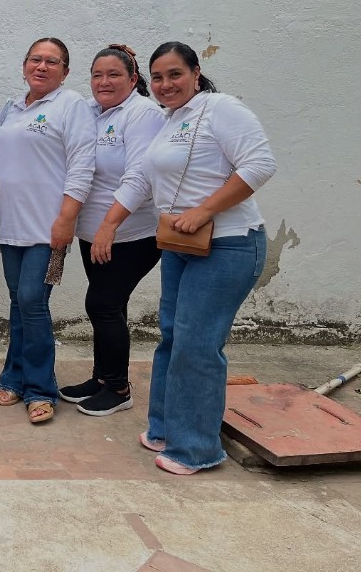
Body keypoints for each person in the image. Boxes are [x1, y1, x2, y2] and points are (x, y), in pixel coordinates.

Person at [92, 41, 275, 474]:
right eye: (157, 77)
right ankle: (165, 428)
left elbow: (260, 164)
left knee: (198, 346)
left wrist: (204, 210)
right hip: (180, 243)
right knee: (173, 337)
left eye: (175, 74)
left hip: (228, 243)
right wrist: (110, 222)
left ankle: (196, 448)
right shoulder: (169, 119)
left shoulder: (221, 109)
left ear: (196, 73)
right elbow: (140, 179)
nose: (165, 84)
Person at [0, 37, 96, 423]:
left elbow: (83, 166)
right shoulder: (12, 108)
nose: (42, 66)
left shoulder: (71, 107)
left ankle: (40, 388)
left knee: (33, 302)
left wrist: (67, 219)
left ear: (65, 72)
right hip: (11, 226)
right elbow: (0, 163)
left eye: (52, 62)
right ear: (23, 66)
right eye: (35, 59)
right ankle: (13, 377)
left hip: (48, 229)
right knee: (20, 302)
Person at [62, 45, 165, 416]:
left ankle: (119, 388)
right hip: (94, 234)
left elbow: (141, 176)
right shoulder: (90, 111)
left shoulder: (142, 114)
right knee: (111, 306)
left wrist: (109, 226)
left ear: (133, 79)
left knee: (101, 304)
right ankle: (102, 378)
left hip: (132, 235)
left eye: (114, 75)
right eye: (97, 75)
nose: (104, 82)